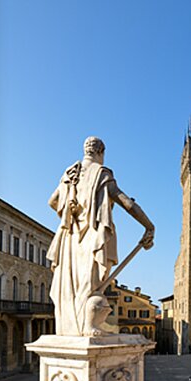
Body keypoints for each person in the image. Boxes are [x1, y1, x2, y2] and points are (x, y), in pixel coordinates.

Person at [47, 136, 154, 336]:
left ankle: (72, 329)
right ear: (101, 152)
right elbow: (127, 204)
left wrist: (71, 211)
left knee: (72, 287)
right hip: (92, 237)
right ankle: (88, 326)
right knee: (91, 286)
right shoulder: (102, 174)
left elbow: (52, 201)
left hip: (69, 238)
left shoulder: (69, 175)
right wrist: (149, 226)